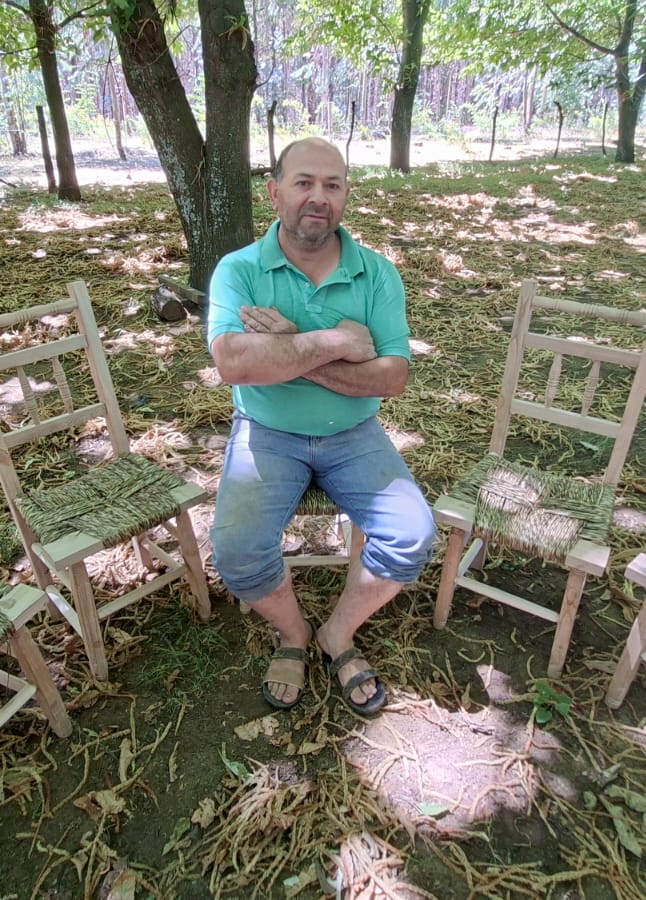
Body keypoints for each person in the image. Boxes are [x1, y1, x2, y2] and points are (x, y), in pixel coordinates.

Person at [206, 137, 436, 716]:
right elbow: (234, 362)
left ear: (346, 195)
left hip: (355, 435)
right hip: (266, 433)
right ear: (274, 190)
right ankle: (293, 634)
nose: (318, 197)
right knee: (236, 551)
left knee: (410, 536)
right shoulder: (238, 270)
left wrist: (285, 351)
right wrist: (336, 342)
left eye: (332, 185)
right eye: (304, 182)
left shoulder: (377, 274)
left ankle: (336, 633)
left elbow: (390, 378)